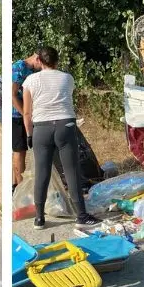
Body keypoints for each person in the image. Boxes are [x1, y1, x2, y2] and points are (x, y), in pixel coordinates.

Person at [21, 46, 100, 230]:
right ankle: (81, 215)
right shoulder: (67, 78)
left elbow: (27, 113)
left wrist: (29, 134)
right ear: (57, 60)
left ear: (39, 60)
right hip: (65, 126)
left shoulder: (30, 80)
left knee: (42, 173)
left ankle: (39, 218)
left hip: (41, 128)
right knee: (71, 171)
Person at [10, 53, 40, 192]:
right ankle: (20, 189)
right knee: (19, 151)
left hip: (24, 114)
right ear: (37, 58)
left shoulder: (32, 70)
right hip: (16, 115)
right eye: (41, 64)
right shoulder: (19, 67)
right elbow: (12, 94)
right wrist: (25, 115)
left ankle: (15, 185)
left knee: (21, 152)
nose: (42, 67)